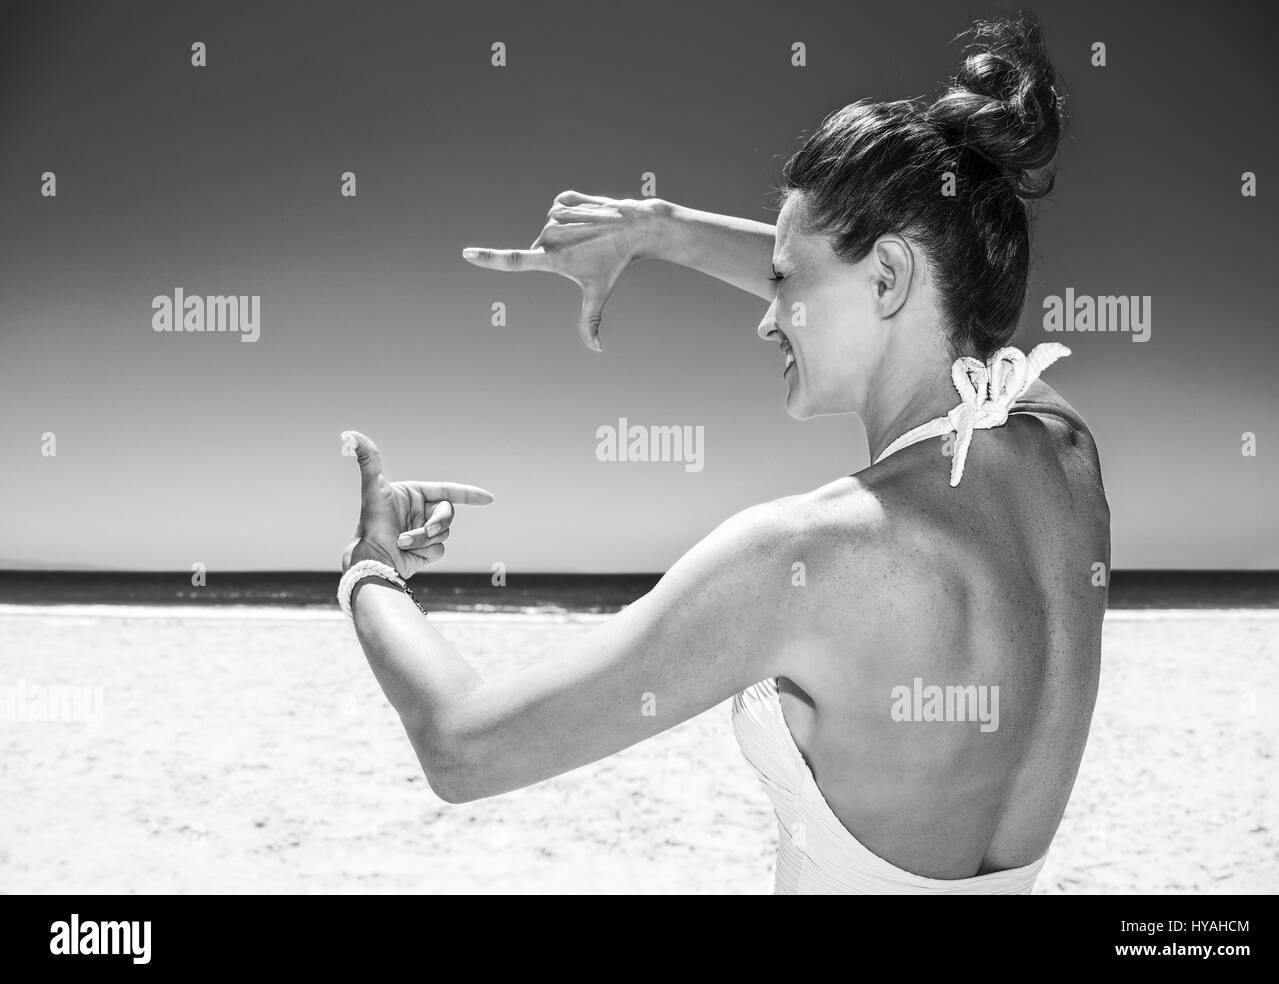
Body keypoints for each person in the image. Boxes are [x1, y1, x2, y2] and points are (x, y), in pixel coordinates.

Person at [338, 12, 1109, 894]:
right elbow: (916, 308)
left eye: (784, 281)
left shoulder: (807, 555)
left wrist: (372, 571)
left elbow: (463, 746)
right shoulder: (1064, 455)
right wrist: (657, 229)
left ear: (888, 278)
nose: (766, 312)